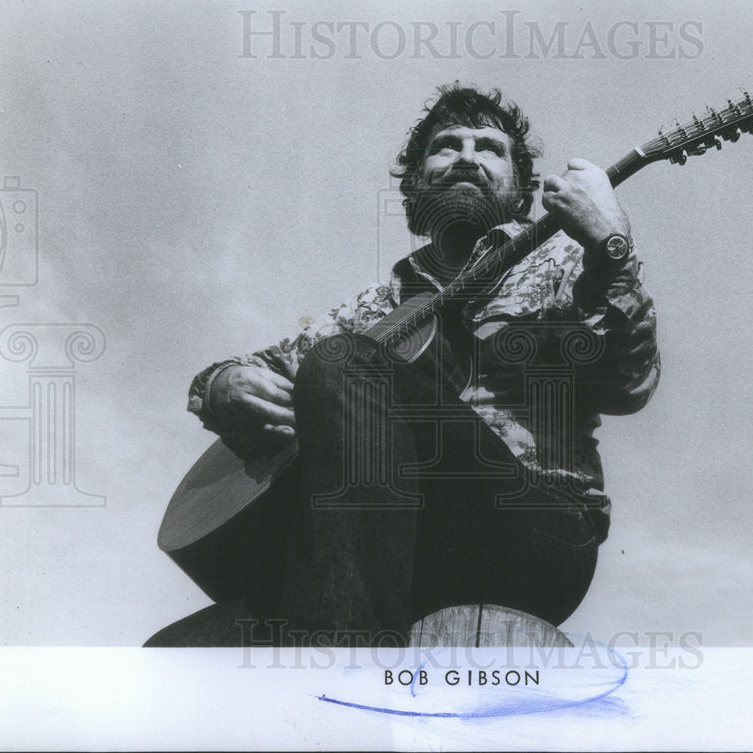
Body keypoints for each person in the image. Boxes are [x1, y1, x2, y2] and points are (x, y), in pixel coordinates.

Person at [185, 83, 660, 645]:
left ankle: (340, 689)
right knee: (178, 653)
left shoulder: (566, 258)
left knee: (345, 362)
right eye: (447, 145)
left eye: (489, 147)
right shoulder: (378, 305)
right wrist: (221, 384)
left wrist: (610, 243)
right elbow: (267, 363)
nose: (466, 157)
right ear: (414, 182)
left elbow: (629, 384)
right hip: (389, 549)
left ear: (522, 189)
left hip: (533, 530)